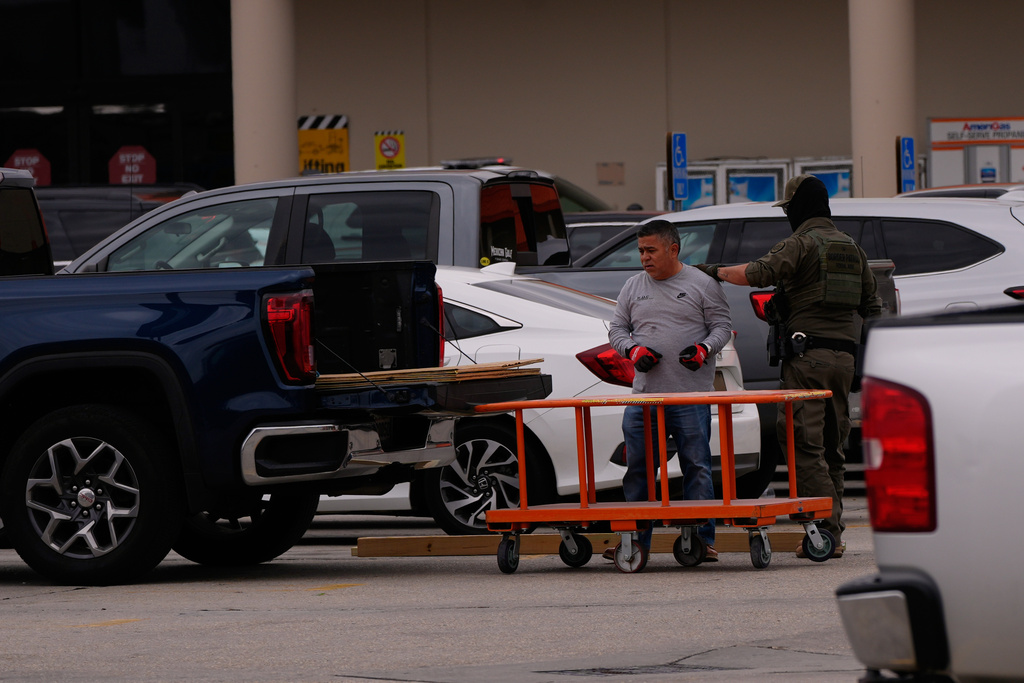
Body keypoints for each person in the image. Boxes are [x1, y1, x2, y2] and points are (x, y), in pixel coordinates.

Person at [710, 174, 882, 558]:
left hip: (806, 361)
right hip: (845, 360)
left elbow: (752, 274)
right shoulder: (851, 247)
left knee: (805, 445)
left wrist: (713, 271)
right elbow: (873, 308)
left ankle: (821, 532)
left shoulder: (801, 244)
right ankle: (832, 529)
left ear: (798, 208)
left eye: (789, 208)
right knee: (834, 446)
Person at [607, 219, 732, 562]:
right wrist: (633, 352)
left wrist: (705, 349)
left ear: (673, 249)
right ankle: (634, 540)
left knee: (697, 466)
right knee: (639, 469)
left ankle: (701, 540)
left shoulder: (702, 284)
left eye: (651, 250)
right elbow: (617, 329)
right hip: (645, 396)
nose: (644, 258)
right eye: (641, 251)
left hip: (690, 396)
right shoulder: (633, 286)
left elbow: (723, 326)